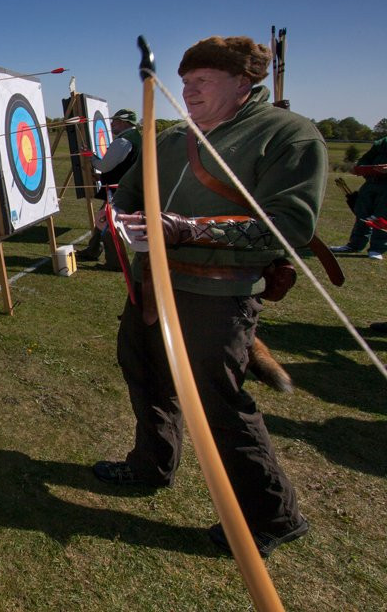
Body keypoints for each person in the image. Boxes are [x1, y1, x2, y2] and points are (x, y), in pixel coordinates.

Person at [93, 36, 325, 557]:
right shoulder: (175, 139)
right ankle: (151, 464)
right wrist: (116, 218)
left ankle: (273, 515)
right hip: (155, 284)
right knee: (146, 374)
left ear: (243, 83)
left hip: (218, 294)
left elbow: (286, 227)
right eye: (184, 81)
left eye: (201, 81)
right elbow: (129, 194)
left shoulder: (289, 137)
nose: (187, 90)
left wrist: (187, 229)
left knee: (216, 405)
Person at [76, 109, 142, 263]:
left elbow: (104, 165)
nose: (112, 124)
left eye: (115, 121)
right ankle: (92, 251)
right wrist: (101, 176)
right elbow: (124, 166)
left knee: (107, 223)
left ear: (124, 122)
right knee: (102, 218)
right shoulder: (136, 137)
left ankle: (115, 262)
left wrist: (90, 157)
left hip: (120, 191)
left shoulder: (123, 141)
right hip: (127, 188)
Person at [328, 135, 387, 260]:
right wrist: (359, 168)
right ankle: (354, 245)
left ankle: (377, 249)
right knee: (361, 214)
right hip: (370, 183)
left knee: (381, 217)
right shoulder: (382, 143)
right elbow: (366, 159)